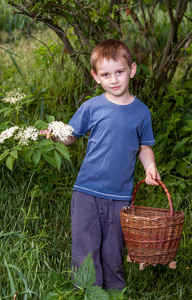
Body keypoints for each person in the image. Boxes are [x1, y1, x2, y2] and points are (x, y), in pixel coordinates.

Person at [40, 39, 161, 290]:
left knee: (114, 249)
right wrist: (55, 133)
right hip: (86, 191)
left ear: (132, 70)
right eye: (106, 74)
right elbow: (72, 136)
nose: (114, 80)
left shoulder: (141, 113)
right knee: (85, 246)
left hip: (120, 194)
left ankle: (115, 291)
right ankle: (86, 291)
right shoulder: (91, 107)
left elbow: (144, 147)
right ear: (96, 77)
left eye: (119, 72)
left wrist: (150, 167)